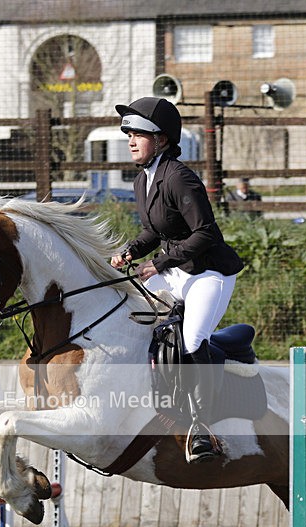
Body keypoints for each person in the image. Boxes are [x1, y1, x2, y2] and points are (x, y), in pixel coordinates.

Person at [110, 96, 244, 464]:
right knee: (129, 313)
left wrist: (158, 263)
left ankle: (202, 426)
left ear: (162, 139)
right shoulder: (143, 180)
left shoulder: (179, 177)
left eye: (138, 135)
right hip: (175, 271)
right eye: (128, 135)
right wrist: (129, 251)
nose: (131, 141)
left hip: (208, 274)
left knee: (192, 338)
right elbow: (153, 231)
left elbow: (206, 233)